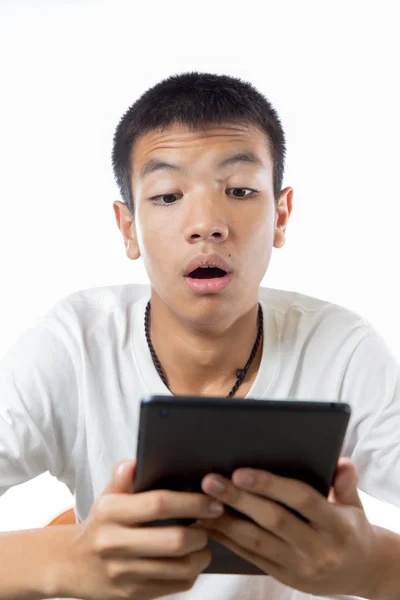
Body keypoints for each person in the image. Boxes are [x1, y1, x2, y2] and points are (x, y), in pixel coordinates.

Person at [0, 71, 399, 600]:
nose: (206, 224)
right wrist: (66, 560)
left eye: (239, 190)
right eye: (167, 196)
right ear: (128, 228)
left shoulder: (344, 350)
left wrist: (376, 566)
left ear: (281, 215)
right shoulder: (73, 346)